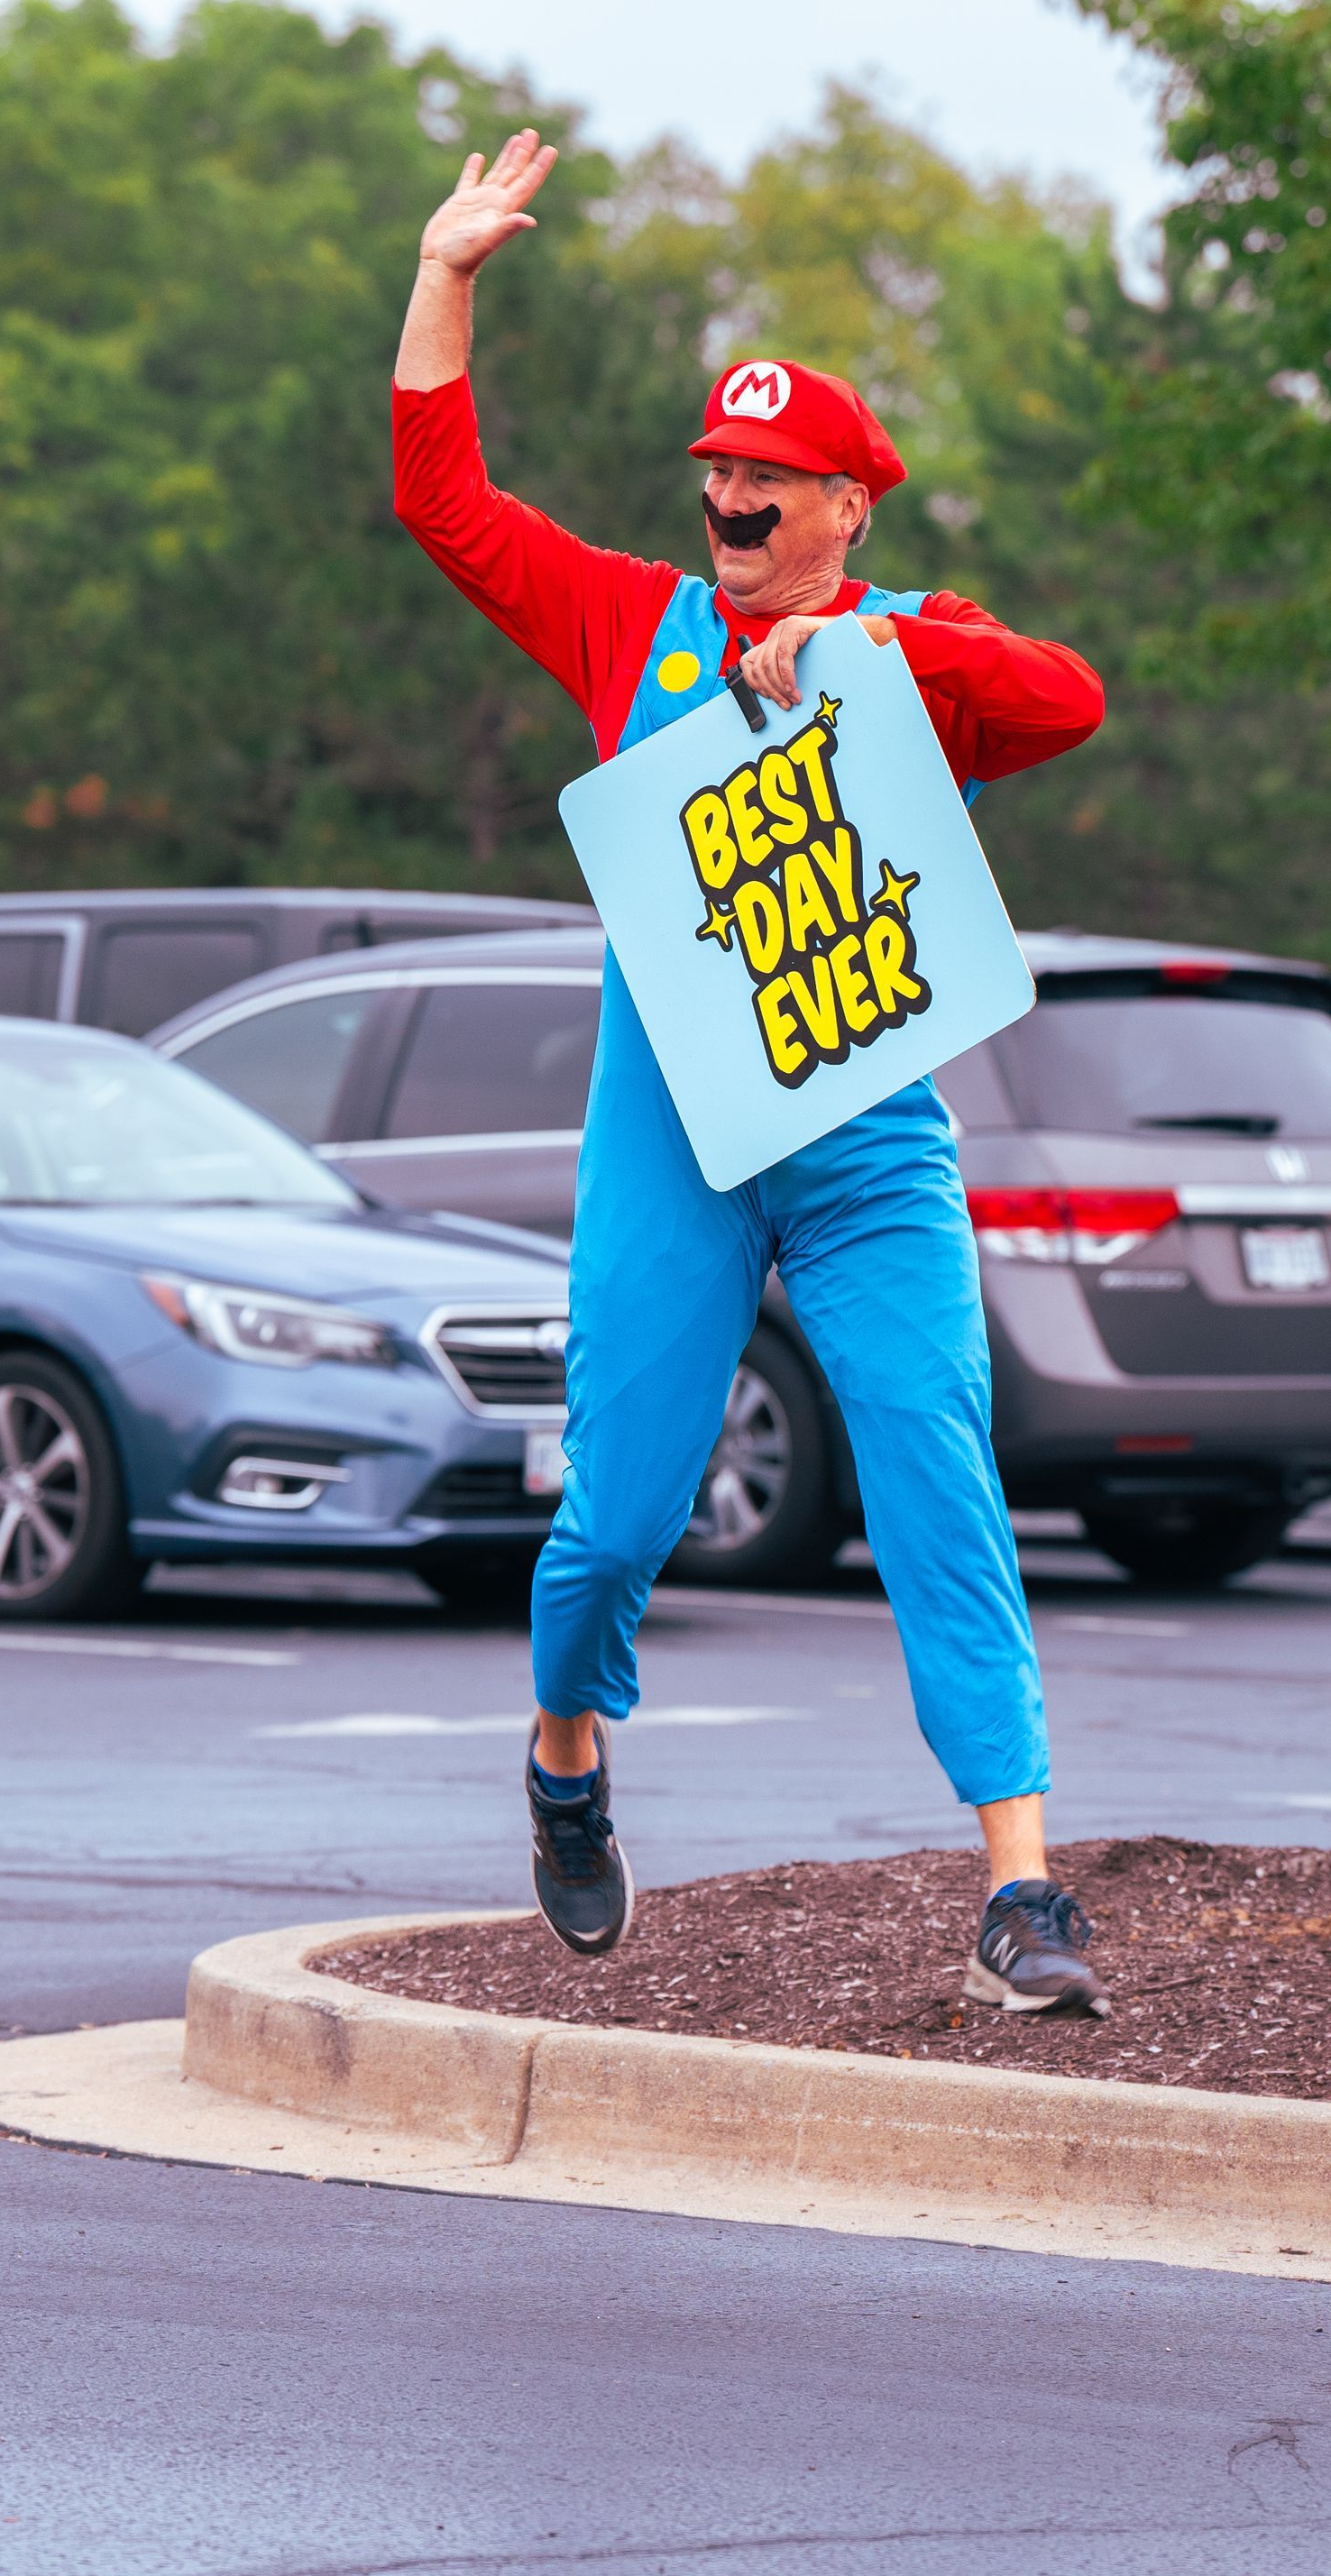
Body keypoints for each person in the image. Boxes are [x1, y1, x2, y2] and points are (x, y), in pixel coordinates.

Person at [393, 130, 1111, 2018]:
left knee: (936, 1470)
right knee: (619, 1518)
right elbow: (445, 504)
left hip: (866, 1136)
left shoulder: (908, 649)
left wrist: (866, 655)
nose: (731, 494)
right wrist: (446, 278)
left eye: (770, 479)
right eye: (718, 468)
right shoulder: (628, 622)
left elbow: (1069, 697)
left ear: (846, 508)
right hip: (676, 1130)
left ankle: (1022, 1889)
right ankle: (564, 1752)